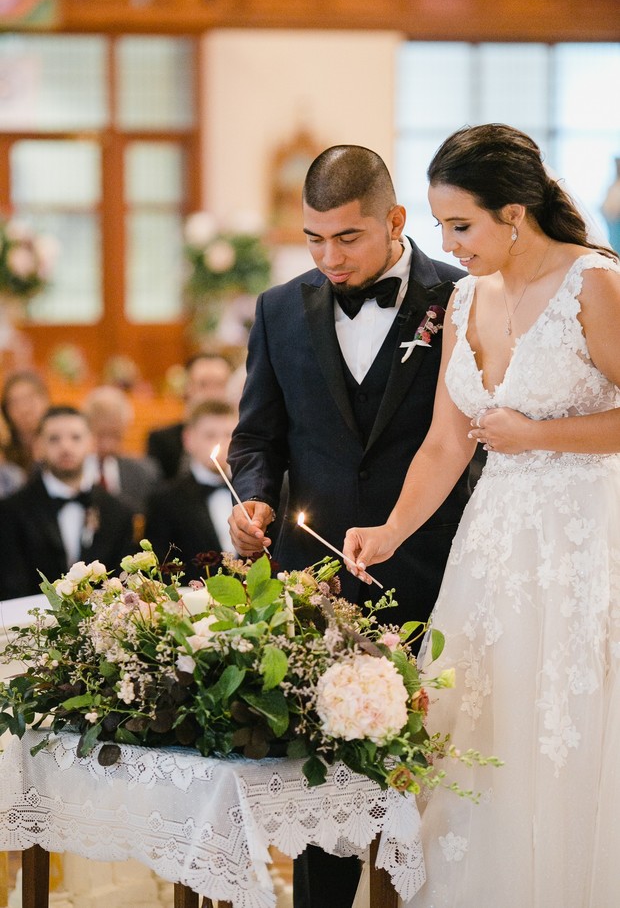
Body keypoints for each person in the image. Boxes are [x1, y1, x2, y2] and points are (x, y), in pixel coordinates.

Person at [343, 124, 620, 908]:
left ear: (514, 213)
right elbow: (444, 441)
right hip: (492, 545)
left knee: (561, 728)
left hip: (581, 538)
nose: (448, 243)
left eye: (460, 225)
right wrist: (391, 530)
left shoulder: (593, 284)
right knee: (472, 732)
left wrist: (539, 437)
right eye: (441, 226)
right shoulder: (465, 298)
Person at [226, 144, 472, 908]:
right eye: (313, 238)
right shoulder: (277, 310)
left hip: (439, 576)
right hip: (317, 581)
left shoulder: (463, 299)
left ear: (396, 220)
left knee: (436, 800)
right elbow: (256, 435)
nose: (328, 257)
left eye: (348, 237)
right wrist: (254, 498)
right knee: (320, 803)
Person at [0, 405, 135, 600]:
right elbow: (12, 585)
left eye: (76, 437)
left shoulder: (117, 511)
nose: (66, 446)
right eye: (54, 438)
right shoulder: (11, 511)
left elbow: (121, 583)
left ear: (91, 443)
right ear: (38, 447)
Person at [144, 399, 237, 571]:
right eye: (210, 435)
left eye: (228, 435)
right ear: (188, 439)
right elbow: (162, 567)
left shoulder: (254, 494)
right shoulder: (165, 500)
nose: (221, 444)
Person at [146, 352, 233, 479]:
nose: (212, 393)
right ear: (188, 388)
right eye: (203, 384)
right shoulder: (162, 441)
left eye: (219, 384)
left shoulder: (247, 437)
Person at [81, 385, 161, 515]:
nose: (107, 445)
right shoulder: (70, 470)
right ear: (87, 429)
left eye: (114, 435)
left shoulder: (144, 473)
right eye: (101, 435)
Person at [0, 370, 49, 474]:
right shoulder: (4, 451)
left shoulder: (63, 440)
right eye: (15, 402)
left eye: (29, 398)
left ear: (45, 399)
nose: (24, 409)